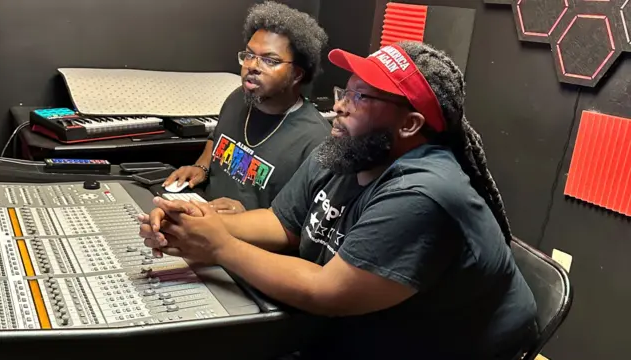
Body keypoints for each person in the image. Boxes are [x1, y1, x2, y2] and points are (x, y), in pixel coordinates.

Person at [140, 41, 538, 359]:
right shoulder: (345, 151)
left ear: (410, 123)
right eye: (344, 92)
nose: (340, 106)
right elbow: (282, 223)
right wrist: (193, 220)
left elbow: (329, 293)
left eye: (361, 97)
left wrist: (220, 247)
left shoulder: (424, 193)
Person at [163, 1, 330, 213]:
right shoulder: (238, 99)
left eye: (269, 60)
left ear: (297, 74)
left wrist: (245, 218)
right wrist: (201, 167)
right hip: (203, 219)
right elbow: (216, 138)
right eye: (250, 55)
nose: (252, 66)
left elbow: (300, 230)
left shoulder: (315, 141)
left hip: (244, 241)